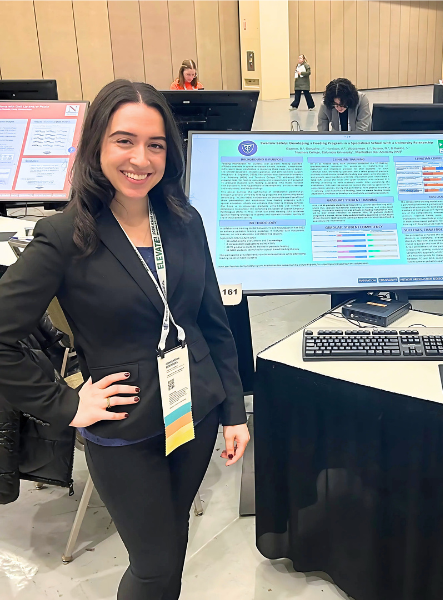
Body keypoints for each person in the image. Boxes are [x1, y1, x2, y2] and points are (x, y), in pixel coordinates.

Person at [0, 80, 250, 599]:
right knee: (155, 563)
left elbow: (211, 321)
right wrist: (63, 404)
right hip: (123, 424)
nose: (141, 158)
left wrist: (232, 410)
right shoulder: (65, 235)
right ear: (97, 145)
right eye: (124, 141)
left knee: (172, 543)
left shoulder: (184, 221)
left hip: (193, 409)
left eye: (155, 144)